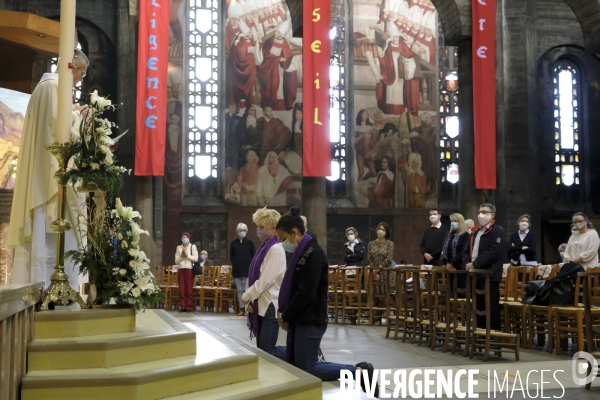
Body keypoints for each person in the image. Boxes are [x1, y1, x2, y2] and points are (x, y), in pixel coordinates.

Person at [275, 206, 379, 396]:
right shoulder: (301, 253)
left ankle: (359, 372)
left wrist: (286, 314)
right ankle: (358, 371)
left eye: (283, 239)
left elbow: (306, 293)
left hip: (311, 318)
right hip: (301, 318)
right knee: (300, 366)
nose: (283, 244)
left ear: (294, 232)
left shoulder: (313, 254)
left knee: (308, 368)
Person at [8, 48, 89, 287]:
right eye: (82, 73)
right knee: (58, 237)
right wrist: (80, 119)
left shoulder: (41, 89)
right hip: (54, 181)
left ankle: (41, 286)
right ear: (72, 67)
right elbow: (60, 133)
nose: (81, 79)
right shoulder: (55, 90)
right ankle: (57, 290)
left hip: (42, 175)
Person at [242, 207, 286, 358]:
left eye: (262, 227)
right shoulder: (264, 248)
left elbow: (266, 280)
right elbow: (254, 273)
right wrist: (250, 298)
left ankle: (302, 352)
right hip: (261, 303)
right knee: (262, 350)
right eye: (257, 227)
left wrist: (248, 295)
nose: (258, 231)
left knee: (267, 351)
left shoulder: (275, 249)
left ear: (273, 229)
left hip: (270, 305)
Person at [464, 203, 505, 331]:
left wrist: (475, 264)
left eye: (484, 212)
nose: (481, 214)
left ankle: (493, 336)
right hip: (475, 274)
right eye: (480, 211)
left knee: (491, 307)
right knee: (478, 307)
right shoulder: (475, 232)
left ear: (492, 215)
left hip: (489, 274)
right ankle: (480, 334)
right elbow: (467, 250)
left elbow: (494, 252)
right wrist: (467, 263)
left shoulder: (497, 231)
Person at [256, 20, 298, 111]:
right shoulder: (269, 41)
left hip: (280, 68)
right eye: (276, 31)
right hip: (269, 68)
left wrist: (284, 58)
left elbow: (288, 53)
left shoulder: (284, 42)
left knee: (279, 85)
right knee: (271, 85)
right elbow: (265, 54)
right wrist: (277, 59)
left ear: (282, 34)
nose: (276, 34)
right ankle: (270, 105)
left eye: (279, 33)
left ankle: (280, 105)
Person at [230, 223, 256, 316]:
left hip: (248, 269)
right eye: (240, 230)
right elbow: (231, 257)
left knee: (248, 290)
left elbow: (254, 255)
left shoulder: (250, 242)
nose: (242, 232)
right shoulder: (233, 243)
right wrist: (236, 263)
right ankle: (242, 309)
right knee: (240, 290)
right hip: (237, 270)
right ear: (237, 231)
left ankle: (248, 309)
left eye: (244, 230)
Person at [441, 213, 470, 295]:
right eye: (452, 221)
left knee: (461, 294)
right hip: (450, 269)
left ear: (460, 222)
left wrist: (452, 263)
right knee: (451, 294)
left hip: (460, 269)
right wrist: (447, 263)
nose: (453, 223)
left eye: (456, 221)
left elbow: (463, 251)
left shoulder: (466, 236)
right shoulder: (450, 235)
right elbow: (445, 250)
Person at [368, 222, 394, 299]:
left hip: (385, 271)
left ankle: (386, 309)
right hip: (373, 272)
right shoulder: (371, 244)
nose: (381, 231)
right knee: (373, 293)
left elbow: (389, 258)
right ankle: (375, 310)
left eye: (383, 229)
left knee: (386, 294)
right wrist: (374, 271)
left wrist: (378, 269)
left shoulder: (390, 244)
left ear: (386, 232)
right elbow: (369, 258)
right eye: (379, 229)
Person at [175, 232, 199, 312]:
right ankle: (183, 306)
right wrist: (182, 257)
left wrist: (187, 256)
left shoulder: (193, 247)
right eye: (183, 237)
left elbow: (195, 258)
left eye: (186, 237)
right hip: (181, 268)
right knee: (182, 288)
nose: (184, 239)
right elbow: (176, 261)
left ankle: (188, 306)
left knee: (189, 288)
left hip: (189, 268)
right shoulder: (179, 247)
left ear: (189, 238)